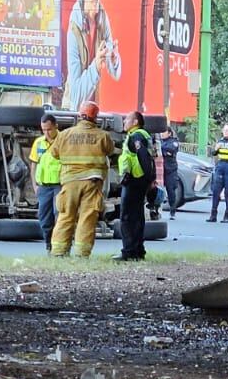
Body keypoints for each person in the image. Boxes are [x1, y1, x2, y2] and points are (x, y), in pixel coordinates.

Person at [49, 101, 117, 259]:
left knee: (66, 215)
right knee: (87, 216)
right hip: (92, 182)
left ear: (80, 115)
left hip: (70, 181)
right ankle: (81, 254)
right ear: (95, 117)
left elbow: (54, 153)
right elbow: (110, 151)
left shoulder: (64, 135)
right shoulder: (103, 136)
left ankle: (58, 251)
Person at [63, 0, 121, 109]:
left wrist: (113, 60)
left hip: (93, 110)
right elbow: (76, 96)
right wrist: (96, 65)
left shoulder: (102, 18)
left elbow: (115, 73)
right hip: (73, 112)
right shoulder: (74, 29)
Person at [117, 111, 156, 261]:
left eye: (127, 119)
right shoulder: (143, 135)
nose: (124, 122)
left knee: (127, 217)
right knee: (137, 217)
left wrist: (148, 179)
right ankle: (138, 250)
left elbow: (144, 157)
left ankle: (129, 252)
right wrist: (150, 179)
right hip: (140, 180)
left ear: (135, 122)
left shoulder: (136, 136)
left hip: (134, 180)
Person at [29, 114, 62, 253]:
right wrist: (35, 186)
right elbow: (33, 164)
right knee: (44, 217)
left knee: (59, 214)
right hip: (43, 187)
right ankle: (48, 245)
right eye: (43, 130)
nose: (46, 133)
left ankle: (59, 246)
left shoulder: (63, 141)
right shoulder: (39, 142)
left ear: (56, 126)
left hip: (60, 185)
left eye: (49, 129)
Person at [158, 128, 183, 220]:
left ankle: (172, 211)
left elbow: (171, 149)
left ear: (169, 133)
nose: (162, 134)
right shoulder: (159, 141)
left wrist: (162, 149)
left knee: (171, 190)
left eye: (164, 132)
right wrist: (164, 151)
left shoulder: (173, 141)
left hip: (170, 170)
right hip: (160, 169)